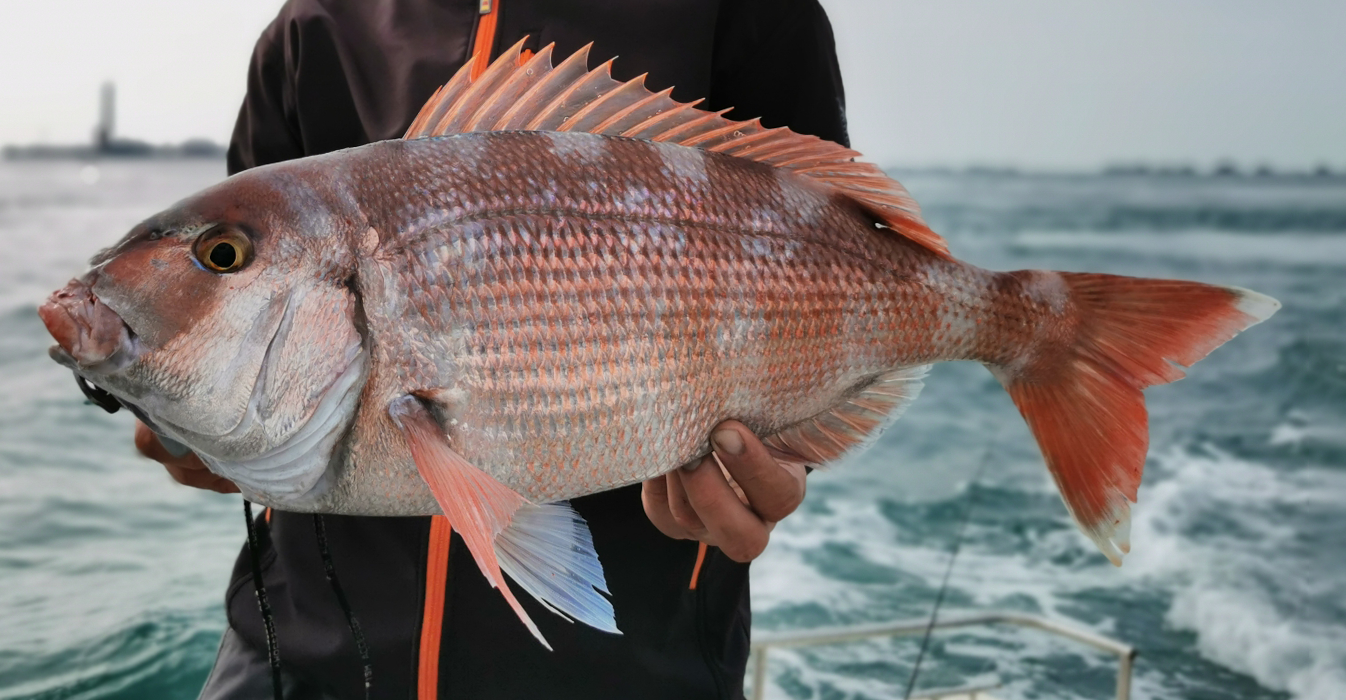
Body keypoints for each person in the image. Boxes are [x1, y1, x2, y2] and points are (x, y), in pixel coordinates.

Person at [140, 1, 850, 697]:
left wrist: (782, 459)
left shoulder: (749, 13)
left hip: (636, 672)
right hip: (297, 656)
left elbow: (837, 248)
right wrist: (165, 398)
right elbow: (229, 285)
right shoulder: (314, 25)